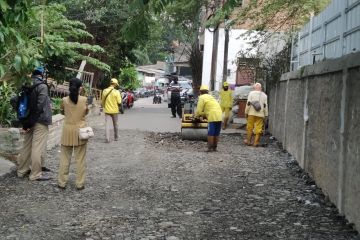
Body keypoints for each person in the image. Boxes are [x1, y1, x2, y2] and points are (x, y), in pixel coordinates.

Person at [17, 67, 52, 181]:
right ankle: (35, 174)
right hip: (39, 121)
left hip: (27, 120)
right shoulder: (42, 86)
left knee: (26, 146)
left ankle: (21, 171)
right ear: (42, 74)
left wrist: (27, 123)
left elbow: (17, 101)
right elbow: (40, 105)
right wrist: (33, 120)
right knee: (37, 147)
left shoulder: (26, 84)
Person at [58, 78, 89, 190]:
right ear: (80, 87)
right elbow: (85, 112)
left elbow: (62, 112)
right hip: (80, 132)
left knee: (64, 158)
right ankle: (80, 184)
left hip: (67, 131)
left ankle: (62, 182)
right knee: (80, 159)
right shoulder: (84, 99)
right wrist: (82, 93)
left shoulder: (64, 100)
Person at [194, 85, 223, 151]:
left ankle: (209, 147)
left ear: (200, 91)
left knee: (211, 132)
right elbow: (207, 109)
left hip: (212, 115)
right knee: (216, 132)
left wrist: (196, 117)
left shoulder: (201, 97)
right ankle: (215, 147)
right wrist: (203, 114)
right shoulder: (211, 97)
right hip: (219, 114)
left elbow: (198, 110)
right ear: (207, 91)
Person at [244, 82, 268, 147]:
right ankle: (256, 143)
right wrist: (266, 115)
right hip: (260, 114)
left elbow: (248, 104)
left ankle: (248, 141)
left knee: (250, 127)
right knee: (258, 128)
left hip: (251, 113)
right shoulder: (264, 95)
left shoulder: (251, 93)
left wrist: (246, 112)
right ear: (261, 88)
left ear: (254, 88)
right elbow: (265, 106)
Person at [101, 78, 122, 143]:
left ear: (110, 83)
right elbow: (119, 101)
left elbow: (103, 101)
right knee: (115, 124)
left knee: (107, 124)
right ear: (115, 84)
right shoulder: (117, 92)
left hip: (107, 110)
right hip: (115, 110)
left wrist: (104, 106)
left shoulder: (104, 91)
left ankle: (107, 138)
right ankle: (116, 137)